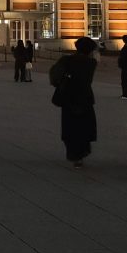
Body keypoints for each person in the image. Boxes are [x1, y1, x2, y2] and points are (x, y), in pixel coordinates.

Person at [50, 36, 99, 168]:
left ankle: (74, 154)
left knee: (70, 127)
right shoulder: (92, 63)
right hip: (85, 99)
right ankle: (81, 154)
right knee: (84, 128)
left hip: (68, 98)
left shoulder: (66, 60)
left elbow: (54, 76)